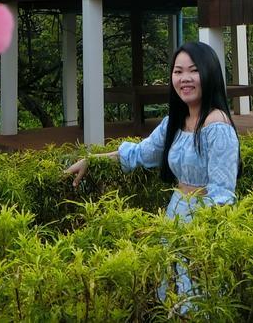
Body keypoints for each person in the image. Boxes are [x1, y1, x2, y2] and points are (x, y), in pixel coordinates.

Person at [63, 41, 240, 305]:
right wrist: (92, 161)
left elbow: (223, 195)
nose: (185, 79)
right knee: (170, 299)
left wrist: (202, 239)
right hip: (175, 215)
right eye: (178, 72)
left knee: (197, 300)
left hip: (202, 226)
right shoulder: (174, 123)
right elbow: (139, 154)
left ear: (209, 73)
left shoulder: (218, 126)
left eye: (193, 70)